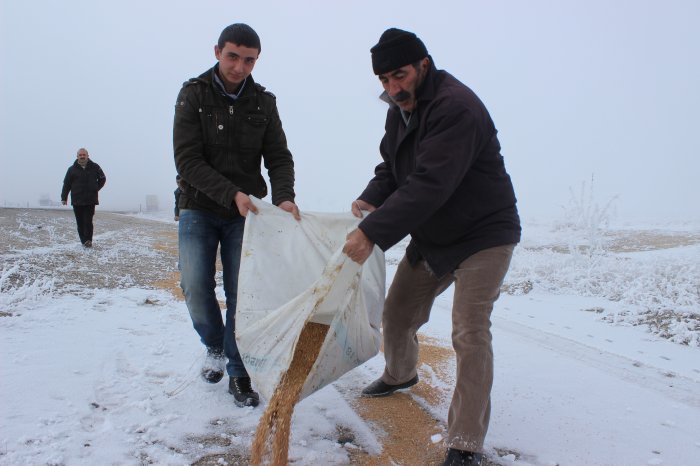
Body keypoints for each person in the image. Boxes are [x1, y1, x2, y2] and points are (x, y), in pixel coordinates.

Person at [342, 28, 521, 466]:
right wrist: (371, 197)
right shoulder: (400, 109)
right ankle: (401, 375)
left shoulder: (456, 107)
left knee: (469, 330)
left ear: (424, 64)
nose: (392, 87)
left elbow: (430, 183)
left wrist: (373, 232)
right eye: (383, 79)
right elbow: (395, 167)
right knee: (397, 313)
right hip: (435, 234)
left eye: (399, 75)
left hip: (483, 235)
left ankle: (465, 442)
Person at [173, 23, 300, 408]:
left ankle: (239, 369)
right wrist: (232, 193)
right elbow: (187, 160)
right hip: (199, 206)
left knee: (242, 293)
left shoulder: (264, 101)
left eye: (249, 60)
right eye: (233, 56)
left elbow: (278, 157)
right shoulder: (192, 94)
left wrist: (284, 198)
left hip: (247, 215)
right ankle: (214, 344)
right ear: (217, 52)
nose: (240, 67)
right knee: (195, 286)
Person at [61, 147, 107, 248]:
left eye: (84, 155)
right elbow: (66, 184)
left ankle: (88, 240)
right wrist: (64, 197)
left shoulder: (95, 167)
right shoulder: (71, 169)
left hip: (90, 200)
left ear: (87, 156)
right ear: (77, 157)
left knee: (88, 221)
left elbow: (103, 179)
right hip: (77, 200)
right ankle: (83, 241)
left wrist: (95, 188)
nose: (82, 156)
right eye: (80, 155)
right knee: (80, 222)